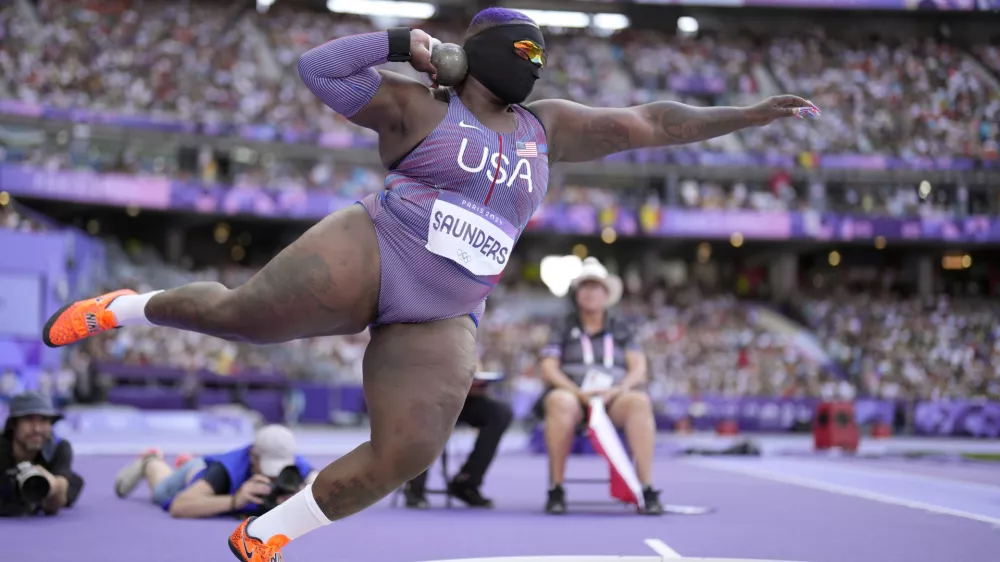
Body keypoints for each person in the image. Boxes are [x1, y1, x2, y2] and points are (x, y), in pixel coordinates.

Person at [39, 7, 817, 561]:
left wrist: (747, 115)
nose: (532, 58)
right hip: (378, 245)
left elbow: (654, 120)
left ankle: (267, 534)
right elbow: (317, 69)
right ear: (476, 51)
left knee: (406, 454)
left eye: (538, 51)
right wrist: (401, 45)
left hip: (444, 312)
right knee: (243, 318)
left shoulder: (548, 128)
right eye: (519, 46)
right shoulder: (418, 104)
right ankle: (123, 307)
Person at [537, 258, 660, 515]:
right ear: (577, 293)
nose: (590, 292)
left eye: (596, 287)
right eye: (585, 287)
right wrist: (575, 391)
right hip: (575, 395)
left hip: (613, 397)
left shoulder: (622, 326)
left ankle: (646, 488)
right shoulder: (563, 325)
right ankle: (556, 488)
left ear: (606, 294)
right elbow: (548, 367)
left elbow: (639, 367)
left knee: (640, 402)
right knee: (558, 401)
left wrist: (618, 389)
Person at [113, 424, 318, 519]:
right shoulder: (226, 469)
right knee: (161, 491)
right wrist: (234, 501)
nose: (275, 476)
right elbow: (179, 506)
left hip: (207, 473)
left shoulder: (292, 462)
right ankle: (151, 462)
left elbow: (323, 486)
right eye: (269, 466)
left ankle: (189, 461)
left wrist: (300, 495)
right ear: (253, 456)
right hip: (196, 477)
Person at [403, 363, 512, 509]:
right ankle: (415, 485)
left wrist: (477, 383)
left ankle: (466, 482)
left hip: (461, 398)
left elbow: (474, 365)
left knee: (499, 414)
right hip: (426, 397)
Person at [0, 391, 84, 516]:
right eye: (29, 420)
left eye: (44, 420)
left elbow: (54, 506)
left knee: (72, 486)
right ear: (14, 424)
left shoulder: (59, 448)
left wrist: (51, 485)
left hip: (50, 481)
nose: (37, 429)